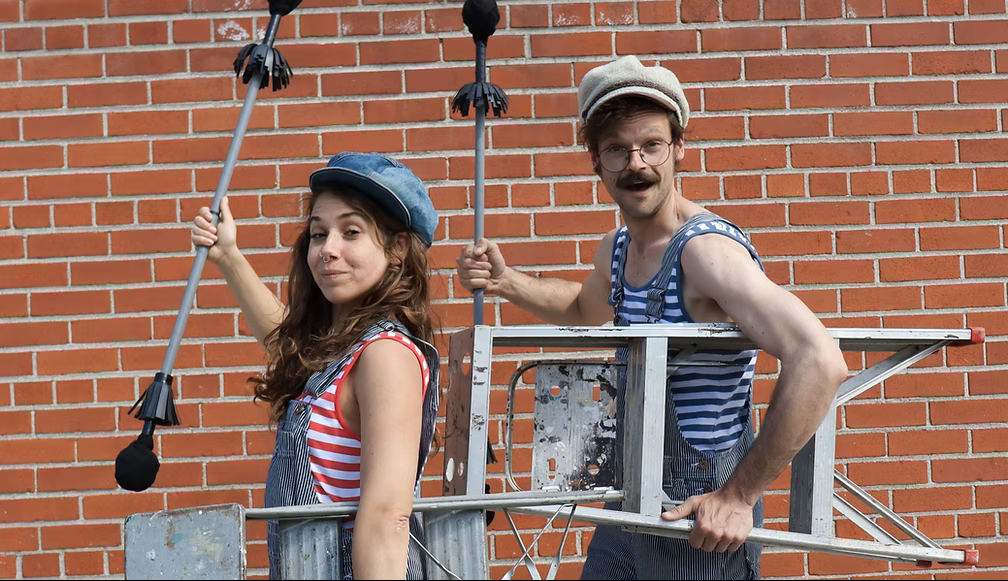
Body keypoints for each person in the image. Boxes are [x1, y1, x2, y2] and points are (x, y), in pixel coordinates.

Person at [456, 55, 849, 579]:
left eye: (652, 145)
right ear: (595, 159)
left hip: (697, 512)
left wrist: (738, 496)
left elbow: (819, 359)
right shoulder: (617, 249)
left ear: (679, 148)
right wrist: (506, 281)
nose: (636, 164)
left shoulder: (704, 252)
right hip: (630, 496)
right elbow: (584, 307)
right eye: (617, 149)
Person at [192, 152, 441, 580]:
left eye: (351, 231)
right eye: (319, 233)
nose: (328, 250)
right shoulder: (337, 353)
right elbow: (285, 342)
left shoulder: (385, 355)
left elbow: (386, 518)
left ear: (397, 248)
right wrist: (228, 256)